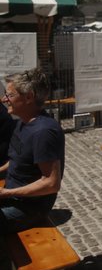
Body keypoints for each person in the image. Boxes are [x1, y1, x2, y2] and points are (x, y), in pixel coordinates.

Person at [0, 68, 65, 233]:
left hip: (28, 208)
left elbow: (51, 183)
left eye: (10, 95)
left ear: (29, 97)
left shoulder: (43, 132)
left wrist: (6, 193)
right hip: (12, 196)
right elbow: (17, 159)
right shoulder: (23, 122)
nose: (4, 99)